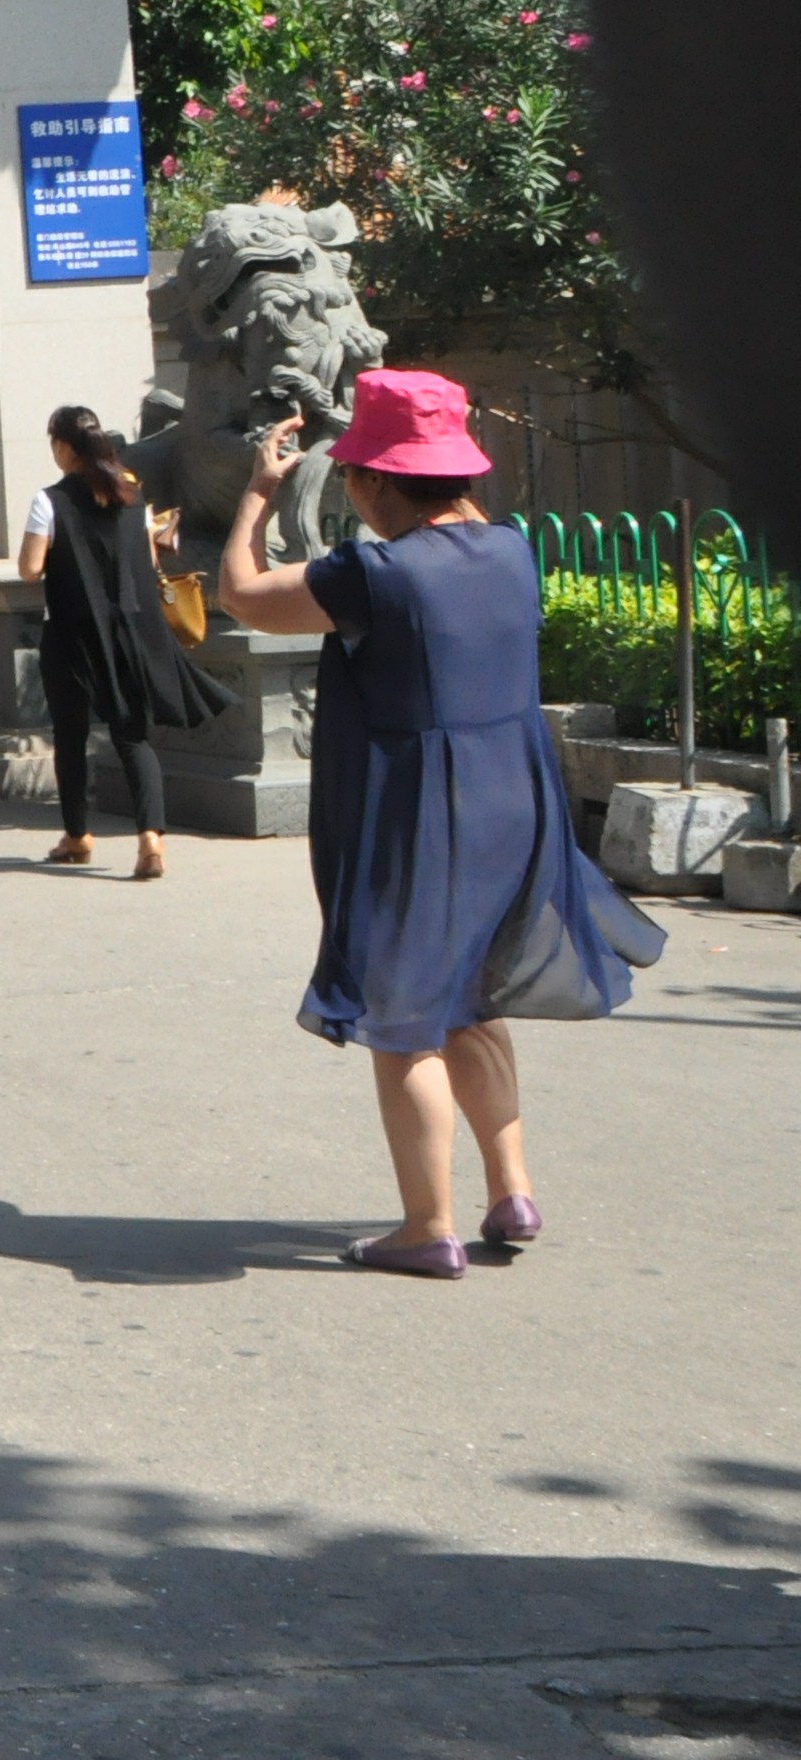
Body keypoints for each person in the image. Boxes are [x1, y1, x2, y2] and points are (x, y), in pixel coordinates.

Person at [216, 373, 663, 1278]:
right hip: (515, 801)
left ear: (380, 480)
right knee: (474, 1002)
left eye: (352, 475)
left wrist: (258, 492)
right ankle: (512, 1188)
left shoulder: (377, 573)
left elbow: (243, 594)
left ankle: (427, 1227)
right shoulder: (510, 550)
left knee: (404, 1018)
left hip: (422, 810)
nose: (350, 490)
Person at [17, 404, 230, 878]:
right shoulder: (134, 498)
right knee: (132, 736)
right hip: (132, 631)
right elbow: (146, 564)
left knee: (70, 734)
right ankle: (150, 838)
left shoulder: (49, 500)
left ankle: (77, 836)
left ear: (63, 447)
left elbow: (30, 569)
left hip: (70, 634)